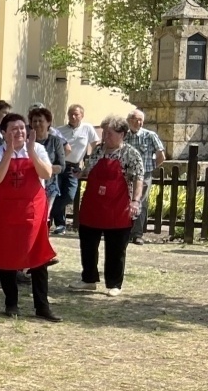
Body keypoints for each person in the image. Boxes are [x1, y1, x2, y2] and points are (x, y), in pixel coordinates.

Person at [0, 113, 59, 320]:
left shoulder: (39, 149)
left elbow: (46, 174)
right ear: (4, 133)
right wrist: (9, 151)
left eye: (21, 128)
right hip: (6, 212)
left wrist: (31, 152)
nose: (19, 132)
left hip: (32, 211)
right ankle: (11, 302)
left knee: (38, 257)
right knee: (7, 257)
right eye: (13, 129)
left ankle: (42, 305)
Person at [77, 115, 143, 295]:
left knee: (115, 248)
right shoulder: (98, 151)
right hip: (93, 205)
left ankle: (114, 284)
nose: (105, 136)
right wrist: (79, 173)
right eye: (104, 132)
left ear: (122, 134)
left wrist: (136, 202)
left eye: (109, 133)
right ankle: (88, 279)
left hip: (117, 207)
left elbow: (138, 178)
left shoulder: (131, 154)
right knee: (88, 244)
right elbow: (88, 171)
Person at [52, 104, 99, 232]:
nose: (73, 117)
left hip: (74, 167)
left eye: (76, 114)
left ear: (82, 115)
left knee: (69, 195)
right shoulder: (59, 130)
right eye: (70, 114)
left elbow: (96, 146)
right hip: (59, 165)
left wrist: (91, 163)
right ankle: (60, 225)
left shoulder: (87, 128)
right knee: (56, 194)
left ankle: (48, 213)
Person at [125, 110, 165, 244]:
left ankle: (137, 234)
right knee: (125, 201)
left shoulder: (150, 135)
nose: (139, 122)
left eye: (141, 120)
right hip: (127, 174)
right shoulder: (125, 136)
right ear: (129, 120)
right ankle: (125, 231)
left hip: (144, 174)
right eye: (136, 119)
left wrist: (151, 168)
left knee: (140, 202)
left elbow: (161, 155)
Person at [29, 105, 66, 205]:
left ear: (48, 123)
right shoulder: (27, 141)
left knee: (45, 217)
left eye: (40, 121)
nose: (37, 124)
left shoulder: (55, 141)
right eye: (34, 121)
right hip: (30, 186)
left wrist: (45, 169)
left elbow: (62, 166)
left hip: (50, 186)